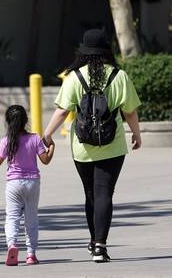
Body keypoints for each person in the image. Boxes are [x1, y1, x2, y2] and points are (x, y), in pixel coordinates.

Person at [43, 29, 141, 263]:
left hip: (82, 146)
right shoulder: (120, 76)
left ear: (83, 52)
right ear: (107, 51)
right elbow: (130, 112)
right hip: (113, 145)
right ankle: (100, 246)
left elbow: (62, 111)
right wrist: (136, 134)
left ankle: (93, 240)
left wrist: (46, 135)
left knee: (90, 194)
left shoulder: (74, 77)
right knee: (104, 193)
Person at [0, 105, 55, 266]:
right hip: (32, 183)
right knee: (31, 219)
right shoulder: (34, 138)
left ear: (8, 122)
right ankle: (31, 254)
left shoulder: (7, 141)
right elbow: (46, 160)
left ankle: (12, 245)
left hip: (13, 184)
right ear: (26, 121)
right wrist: (51, 147)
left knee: (12, 217)